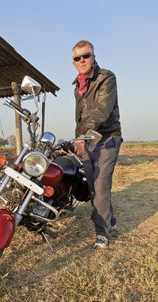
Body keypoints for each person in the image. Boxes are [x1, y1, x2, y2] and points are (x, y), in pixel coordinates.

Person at [72, 40, 123, 249]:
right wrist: (79, 139)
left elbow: (102, 110)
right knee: (92, 185)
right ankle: (109, 220)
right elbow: (80, 117)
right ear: (73, 62)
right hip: (88, 139)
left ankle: (102, 232)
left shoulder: (106, 77)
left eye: (86, 55)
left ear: (93, 57)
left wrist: (81, 135)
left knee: (101, 184)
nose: (82, 60)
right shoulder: (78, 85)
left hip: (108, 137)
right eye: (77, 58)